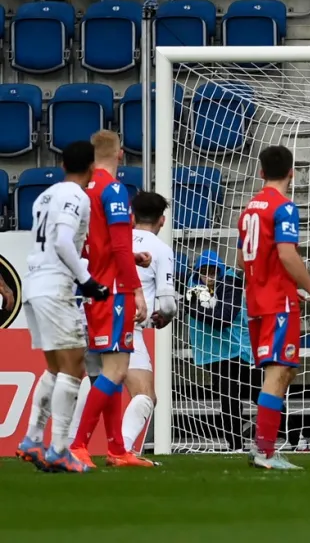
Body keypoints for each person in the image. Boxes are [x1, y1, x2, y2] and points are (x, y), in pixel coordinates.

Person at [15, 141, 109, 473]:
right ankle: (59, 448)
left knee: (55, 368)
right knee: (74, 367)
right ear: (93, 168)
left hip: (34, 283)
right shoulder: (76, 196)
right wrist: (88, 280)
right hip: (55, 286)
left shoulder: (45, 195)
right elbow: (63, 241)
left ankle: (32, 438)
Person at [238, 145, 310, 469]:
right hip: (277, 302)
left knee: (284, 370)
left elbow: (242, 259)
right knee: (278, 373)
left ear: (261, 172)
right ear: (292, 172)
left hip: (258, 301)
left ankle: (263, 448)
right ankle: (264, 452)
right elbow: (287, 254)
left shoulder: (249, 208)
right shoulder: (284, 207)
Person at [69, 129, 149, 468]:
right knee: (116, 369)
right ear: (120, 155)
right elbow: (116, 246)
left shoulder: (84, 189)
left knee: (109, 370)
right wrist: (138, 290)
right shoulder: (113, 189)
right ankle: (77, 445)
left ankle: (117, 449)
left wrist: (132, 255)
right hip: (114, 289)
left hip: (92, 287)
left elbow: (103, 242)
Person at [184, 250, 302, 451]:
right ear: (198, 272)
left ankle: (296, 439)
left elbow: (224, 318)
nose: (209, 276)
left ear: (219, 270)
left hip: (240, 351)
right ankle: (236, 446)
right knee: (228, 399)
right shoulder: (192, 286)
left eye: (212, 271)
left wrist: (190, 307)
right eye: (204, 272)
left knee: (261, 395)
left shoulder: (231, 283)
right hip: (216, 353)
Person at [123, 191, 176, 460]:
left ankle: (69, 443)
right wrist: (164, 317)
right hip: (126, 325)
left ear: (132, 216)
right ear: (162, 221)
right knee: (145, 396)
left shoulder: (117, 242)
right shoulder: (161, 249)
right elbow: (167, 304)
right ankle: (122, 448)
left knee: (97, 384)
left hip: (91, 319)